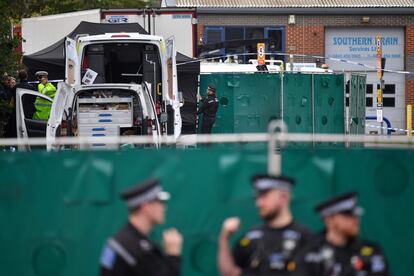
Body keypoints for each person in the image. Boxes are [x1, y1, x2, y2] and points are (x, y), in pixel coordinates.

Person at [218, 174, 313, 276]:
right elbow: (230, 273)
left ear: (284, 197)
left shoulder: (305, 238)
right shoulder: (251, 237)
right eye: (257, 198)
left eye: (264, 196)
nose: (258, 203)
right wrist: (224, 239)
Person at [292, 192, 390, 276]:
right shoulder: (309, 254)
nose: (356, 220)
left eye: (356, 215)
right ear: (329, 221)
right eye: (348, 216)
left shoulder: (372, 251)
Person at [100, 178, 183, 276]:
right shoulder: (133, 246)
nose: (164, 207)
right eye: (160, 202)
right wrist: (173, 254)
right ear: (145, 206)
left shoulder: (131, 240)